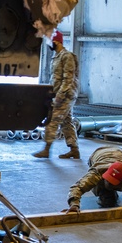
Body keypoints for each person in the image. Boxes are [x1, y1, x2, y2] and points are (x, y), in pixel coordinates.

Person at [33, 31, 80, 159]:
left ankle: (46, 149)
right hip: (61, 93)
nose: (49, 44)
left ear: (57, 41)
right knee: (67, 121)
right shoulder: (57, 57)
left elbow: (68, 80)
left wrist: (59, 96)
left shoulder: (67, 56)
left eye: (50, 41)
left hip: (66, 94)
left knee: (53, 120)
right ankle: (74, 149)